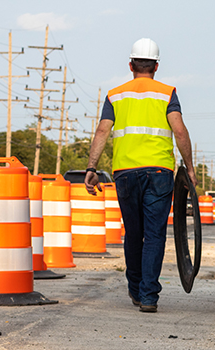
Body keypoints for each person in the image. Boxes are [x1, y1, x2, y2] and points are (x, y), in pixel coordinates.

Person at [84, 38, 197, 313]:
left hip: (125, 173)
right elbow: (179, 131)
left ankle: (135, 289)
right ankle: (148, 296)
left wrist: (91, 168)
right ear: (156, 66)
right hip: (159, 172)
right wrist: (190, 168)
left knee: (133, 233)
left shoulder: (116, 94)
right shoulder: (167, 92)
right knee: (155, 235)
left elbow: (102, 131)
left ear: (131, 65)